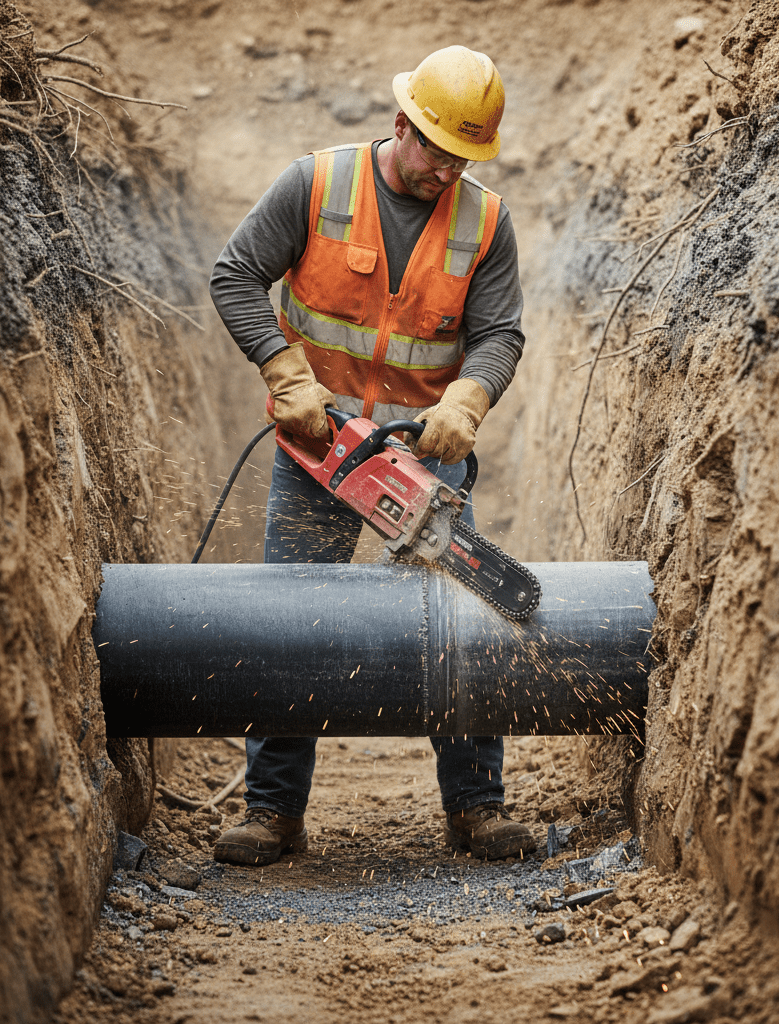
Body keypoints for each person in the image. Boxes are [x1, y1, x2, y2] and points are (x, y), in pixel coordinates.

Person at [209, 46, 536, 866]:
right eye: (437, 150)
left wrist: (468, 400)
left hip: (428, 456)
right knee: (293, 619)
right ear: (402, 125)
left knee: (460, 618)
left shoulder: (485, 220)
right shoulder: (316, 185)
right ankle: (274, 811)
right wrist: (286, 374)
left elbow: (498, 333)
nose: (447, 170)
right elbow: (235, 275)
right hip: (321, 449)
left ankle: (476, 806)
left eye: (465, 156)